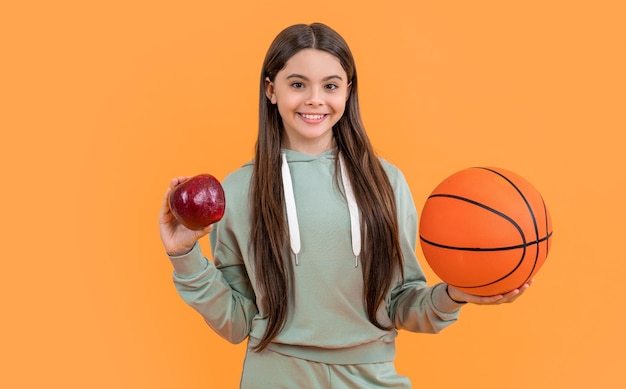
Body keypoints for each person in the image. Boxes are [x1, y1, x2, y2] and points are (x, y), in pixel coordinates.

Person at [159, 22, 531, 388]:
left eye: (331, 86)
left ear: (348, 92)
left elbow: (402, 304)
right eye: (298, 84)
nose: (315, 99)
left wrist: (454, 295)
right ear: (271, 90)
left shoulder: (385, 182)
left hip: (370, 373)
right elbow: (238, 321)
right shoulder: (239, 189)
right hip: (275, 376)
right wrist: (185, 255)